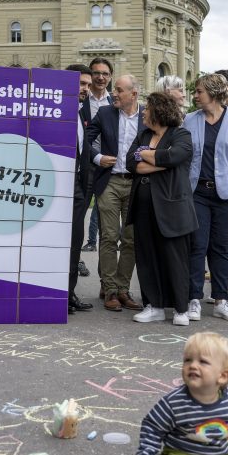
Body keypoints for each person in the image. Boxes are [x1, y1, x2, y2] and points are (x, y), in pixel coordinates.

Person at [184, 73, 228, 322]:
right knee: (197, 246)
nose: (195, 96)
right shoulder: (189, 120)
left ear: (213, 93)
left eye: (199, 91)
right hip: (197, 192)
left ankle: (221, 300)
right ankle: (193, 299)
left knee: (222, 248)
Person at [126, 93, 197, 325]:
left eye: (147, 109)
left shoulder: (181, 135)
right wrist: (161, 162)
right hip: (143, 208)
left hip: (173, 209)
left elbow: (176, 156)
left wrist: (146, 156)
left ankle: (180, 309)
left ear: (158, 111)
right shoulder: (143, 134)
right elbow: (131, 163)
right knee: (146, 257)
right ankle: (153, 306)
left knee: (175, 259)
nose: (144, 112)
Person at [85, 75, 144, 312]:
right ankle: (109, 288)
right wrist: (97, 158)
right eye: (114, 89)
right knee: (109, 236)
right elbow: (84, 142)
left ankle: (123, 289)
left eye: (119, 90)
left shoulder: (147, 116)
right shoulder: (106, 113)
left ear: (134, 94)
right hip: (109, 182)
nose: (114, 93)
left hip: (135, 184)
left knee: (130, 239)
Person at [64, 63, 95, 315]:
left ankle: (69, 293)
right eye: (81, 83)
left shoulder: (82, 113)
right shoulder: (54, 111)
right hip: (57, 187)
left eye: (87, 84)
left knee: (75, 242)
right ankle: (56, 295)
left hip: (77, 186)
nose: (85, 88)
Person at [81, 58, 114, 259]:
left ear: (110, 77)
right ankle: (74, 265)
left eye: (105, 74)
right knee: (76, 220)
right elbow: (79, 137)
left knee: (108, 230)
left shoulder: (115, 102)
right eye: (96, 73)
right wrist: (95, 157)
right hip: (84, 167)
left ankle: (107, 282)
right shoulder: (81, 100)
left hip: (108, 170)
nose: (101, 77)